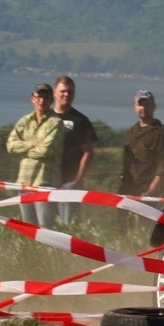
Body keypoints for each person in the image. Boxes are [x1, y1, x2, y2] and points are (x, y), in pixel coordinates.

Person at [6, 83, 65, 228]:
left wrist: (23, 148)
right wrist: (32, 144)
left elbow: (46, 150)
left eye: (46, 97)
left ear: (51, 100)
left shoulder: (56, 123)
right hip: (24, 183)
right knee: (28, 228)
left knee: (45, 228)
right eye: (39, 97)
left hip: (44, 183)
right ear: (32, 98)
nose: (42, 101)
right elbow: (10, 145)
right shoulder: (24, 121)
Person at [50, 75, 97, 225]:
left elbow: (88, 152)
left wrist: (77, 180)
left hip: (69, 182)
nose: (66, 94)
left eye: (70, 91)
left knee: (70, 224)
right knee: (47, 223)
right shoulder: (46, 117)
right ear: (55, 93)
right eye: (62, 91)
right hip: (47, 180)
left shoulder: (81, 120)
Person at [119, 90, 164, 198]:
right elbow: (125, 165)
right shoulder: (131, 132)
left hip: (149, 195)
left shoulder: (161, 133)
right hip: (128, 192)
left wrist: (150, 192)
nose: (143, 108)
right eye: (140, 105)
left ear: (154, 106)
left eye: (147, 104)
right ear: (135, 107)